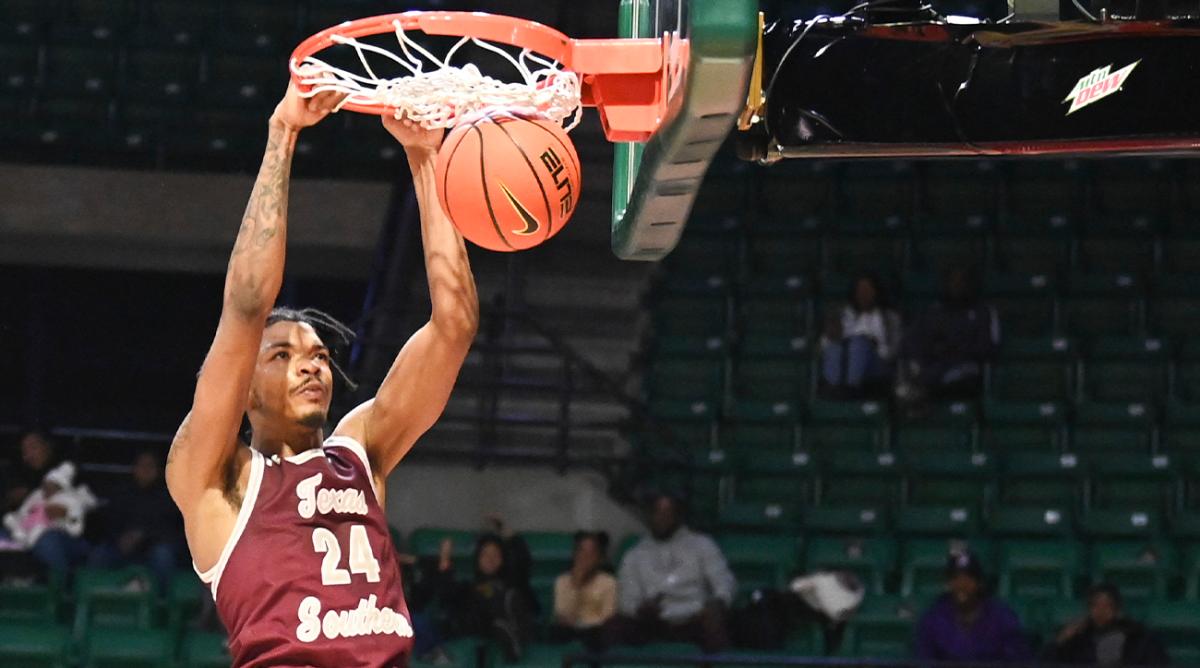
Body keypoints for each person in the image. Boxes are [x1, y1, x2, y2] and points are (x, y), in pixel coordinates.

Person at [164, 79, 478, 666]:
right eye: (281, 356)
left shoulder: (361, 451)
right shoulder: (215, 477)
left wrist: (426, 156)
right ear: (244, 390)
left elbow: (454, 326)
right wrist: (282, 133)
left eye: (317, 355)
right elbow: (248, 305)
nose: (308, 363)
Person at [603, 493, 736, 654]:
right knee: (613, 628)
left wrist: (717, 604)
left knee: (716, 626)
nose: (661, 518)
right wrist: (639, 610)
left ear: (678, 516)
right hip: (653, 621)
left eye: (667, 513)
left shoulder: (702, 545)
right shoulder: (635, 554)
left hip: (693, 618)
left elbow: (724, 581)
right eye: (657, 512)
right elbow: (627, 599)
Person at [412, 517, 537, 660]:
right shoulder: (469, 586)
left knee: (508, 596)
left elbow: (523, 560)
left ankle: (512, 634)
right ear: (478, 559)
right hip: (470, 627)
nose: (490, 559)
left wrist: (503, 528)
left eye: (495, 555)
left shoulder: (511, 581)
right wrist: (445, 558)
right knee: (416, 620)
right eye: (485, 554)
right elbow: (447, 594)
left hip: (502, 619)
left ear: (502, 560)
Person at [897, 266, 1000, 408]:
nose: (957, 286)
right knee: (910, 376)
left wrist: (957, 348)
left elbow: (989, 348)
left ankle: (926, 396)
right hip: (936, 367)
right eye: (953, 281)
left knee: (962, 377)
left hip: (966, 368)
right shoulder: (933, 312)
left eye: (962, 281)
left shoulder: (984, 312)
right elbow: (910, 342)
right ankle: (922, 396)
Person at [88, 450, 184, 591]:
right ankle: (99, 600)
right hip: (122, 547)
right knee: (99, 554)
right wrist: (120, 538)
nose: (145, 470)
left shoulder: (169, 495)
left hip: (153, 549)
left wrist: (144, 535)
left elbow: (173, 530)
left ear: (158, 470)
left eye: (150, 466)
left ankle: (157, 601)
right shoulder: (122, 492)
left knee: (163, 555)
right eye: (141, 465)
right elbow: (109, 523)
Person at [914, 551, 1032, 662]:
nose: (962, 584)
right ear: (948, 584)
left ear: (980, 583)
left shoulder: (1002, 618)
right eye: (955, 578)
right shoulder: (933, 618)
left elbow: (1019, 662)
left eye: (968, 578)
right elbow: (923, 660)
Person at [1, 461, 96, 580]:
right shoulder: (37, 494)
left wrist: (64, 515)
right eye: (45, 484)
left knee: (46, 540)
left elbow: (76, 529)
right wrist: (17, 522)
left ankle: (61, 584)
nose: (47, 488)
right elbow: (22, 514)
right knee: (3, 534)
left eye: (52, 485)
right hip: (26, 531)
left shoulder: (71, 499)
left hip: (58, 535)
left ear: (60, 486)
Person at [820, 273, 901, 399]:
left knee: (859, 344)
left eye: (868, 290)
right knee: (835, 347)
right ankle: (834, 389)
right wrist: (831, 336)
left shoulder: (889, 317)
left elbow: (893, 352)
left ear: (876, 292)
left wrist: (874, 345)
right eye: (860, 290)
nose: (863, 294)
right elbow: (824, 345)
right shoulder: (843, 314)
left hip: (877, 365)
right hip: (843, 362)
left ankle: (851, 389)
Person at [1047, 583, 1169, 666]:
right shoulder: (1078, 638)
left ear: (1117, 609)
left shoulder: (1138, 636)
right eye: (1095, 605)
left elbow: (1159, 661)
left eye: (1107, 605)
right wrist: (1061, 639)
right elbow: (1046, 661)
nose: (1101, 611)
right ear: (1089, 609)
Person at [551, 531, 617, 646]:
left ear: (599, 558)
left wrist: (581, 624)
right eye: (581, 551)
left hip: (596, 631)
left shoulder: (609, 582)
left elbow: (608, 616)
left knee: (602, 633)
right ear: (575, 554)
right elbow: (562, 613)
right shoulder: (561, 581)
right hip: (569, 630)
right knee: (556, 631)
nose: (585, 557)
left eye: (591, 553)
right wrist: (577, 586)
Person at [3, 430, 61, 512]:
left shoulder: (63, 470)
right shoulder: (20, 472)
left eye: (33, 447)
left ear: (48, 446)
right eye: (24, 451)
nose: (28, 455)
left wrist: (29, 494)